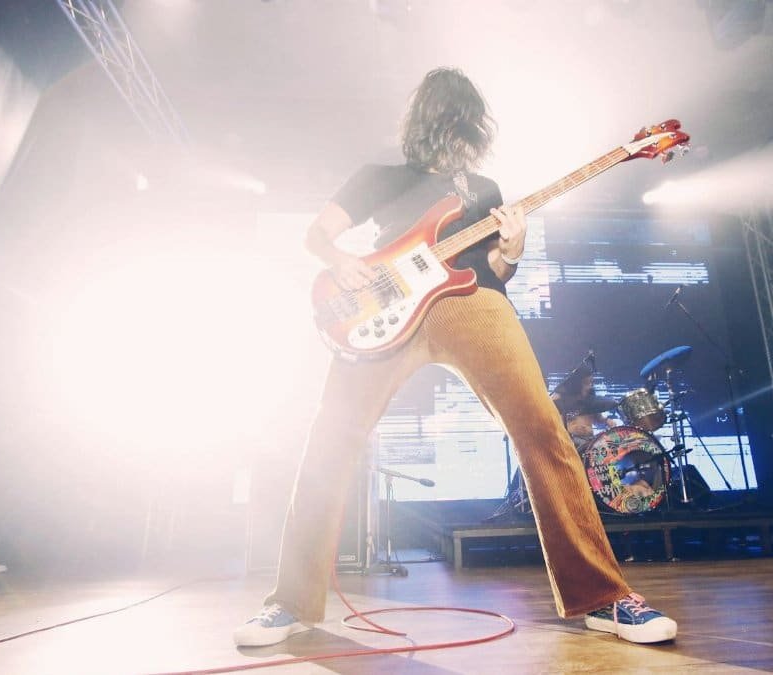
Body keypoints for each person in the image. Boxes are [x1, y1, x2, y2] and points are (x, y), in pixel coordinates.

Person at [234, 67, 677, 647]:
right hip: (383, 313)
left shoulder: (486, 191)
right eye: (447, 120)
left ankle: (604, 597)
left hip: (473, 305)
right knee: (329, 443)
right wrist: (340, 260)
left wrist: (512, 251)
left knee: (543, 430)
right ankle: (288, 603)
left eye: (465, 123)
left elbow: (495, 271)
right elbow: (318, 235)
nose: (456, 134)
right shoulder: (380, 178)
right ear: (425, 122)